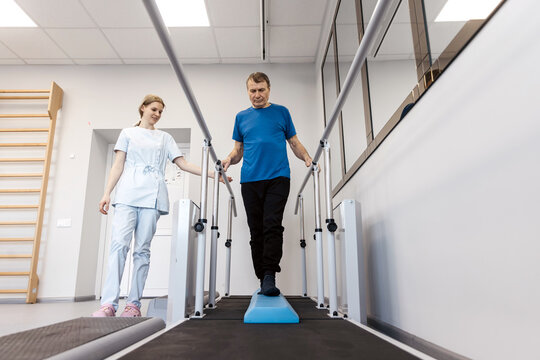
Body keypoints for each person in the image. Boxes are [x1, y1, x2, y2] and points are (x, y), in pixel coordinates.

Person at [93, 94, 231, 317]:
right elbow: (118, 165)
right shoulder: (127, 133)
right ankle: (108, 304)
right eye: (154, 109)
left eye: (160, 111)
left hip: (152, 197)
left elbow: (183, 164)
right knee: (118, 247)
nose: (157, 114)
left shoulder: (164, 138)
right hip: (127, 195)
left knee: (142, 251)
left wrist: (213, 174)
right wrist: (107, 193)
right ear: (143, 108)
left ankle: (133, 305)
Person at [222, 72, 312, 296]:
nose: (257, 95)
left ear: (269, 89)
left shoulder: (281, 112)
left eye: (261, 90)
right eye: (253, 90)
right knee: (256, 230)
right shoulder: (241, 117)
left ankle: (270, 274)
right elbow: (238, 151)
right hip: (250, 180)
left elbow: (294, 142)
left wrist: (308, 158)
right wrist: (228, 160)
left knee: (272, 224)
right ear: (248, 92)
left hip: (278, 177)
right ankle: (262, 278)